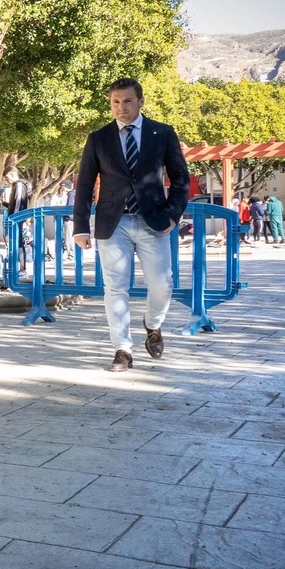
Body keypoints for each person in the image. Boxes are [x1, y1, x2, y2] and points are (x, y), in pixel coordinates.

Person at [73, 77, 189, 372]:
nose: (120, 107)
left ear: (140, 102)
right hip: (114, 223)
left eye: (126, 101)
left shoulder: (162, 133)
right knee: (115, 287)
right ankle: (122, 349)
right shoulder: (98, 138)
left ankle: (153, 325)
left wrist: (173, 215)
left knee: (163, 284)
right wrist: (81, 226)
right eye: (115, 102)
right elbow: (85, 183)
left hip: (154, 222)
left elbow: (180, 178)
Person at [4, 167, 33, 273]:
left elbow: (18, 202)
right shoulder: (19, 185)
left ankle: (22, 269)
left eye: (7, 177)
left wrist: (14, 217)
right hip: (17, 217)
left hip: (17, 218)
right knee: (16, 242)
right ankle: (19, 269)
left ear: (12, 175)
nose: (7, 180)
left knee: (18, 243)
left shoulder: (19, 185)